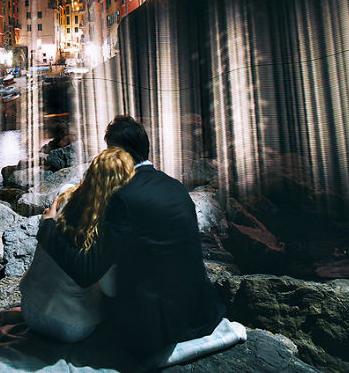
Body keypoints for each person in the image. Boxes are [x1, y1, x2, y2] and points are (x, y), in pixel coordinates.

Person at [37, 115, 226, 357]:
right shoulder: (175, 186)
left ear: (117, 154)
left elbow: (86, 271)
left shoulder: (122, 198)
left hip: (153, 330)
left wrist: (48, 228)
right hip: (200, 314)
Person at [19, 147, 133, 343]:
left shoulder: (63, 196)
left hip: (29, 310)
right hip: (71, 327)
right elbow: (110, 289)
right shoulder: (106, 229)